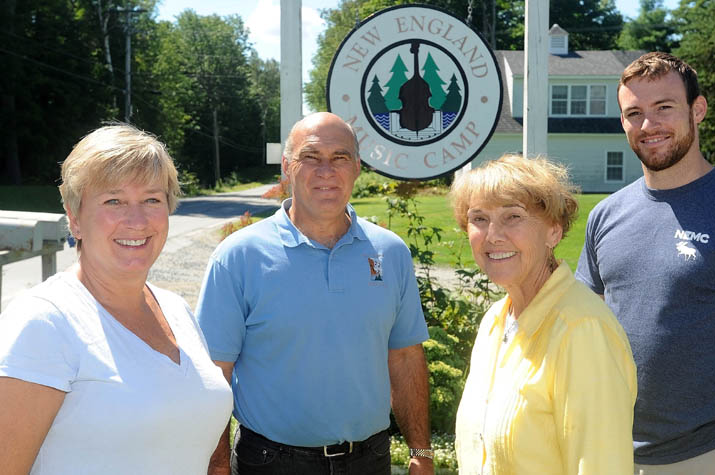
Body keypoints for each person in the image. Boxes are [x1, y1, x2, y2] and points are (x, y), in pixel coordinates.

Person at [576, 52, 715, 474]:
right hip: (613, 451)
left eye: (664, 108)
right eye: (634, 113)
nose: (648, 125)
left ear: (698, 110)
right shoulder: (605, 216)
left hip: (714, 453)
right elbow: (584, 333)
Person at [196, 112, 433, 475]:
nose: (327, 171)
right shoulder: (238, 256)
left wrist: (421, 451)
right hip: (270, 463)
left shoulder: (390, 252)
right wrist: (216, 466)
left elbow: (404, 357)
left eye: (340, 158)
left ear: (356, 168)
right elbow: (216, 373)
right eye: (311, 158)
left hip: (370, 461)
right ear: (288, 167)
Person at [0, 124, 234, 474]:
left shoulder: (176, 310)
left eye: (152, 199)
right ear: (75, 218)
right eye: (114, 201)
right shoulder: (43, 322)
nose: (136, 220)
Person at [451, 154, 638, 474]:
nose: (493, 235)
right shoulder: (495, 321)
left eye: (513, 217)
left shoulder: (581, 329)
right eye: (479, 219)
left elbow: (600, 464)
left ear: (554, 231)